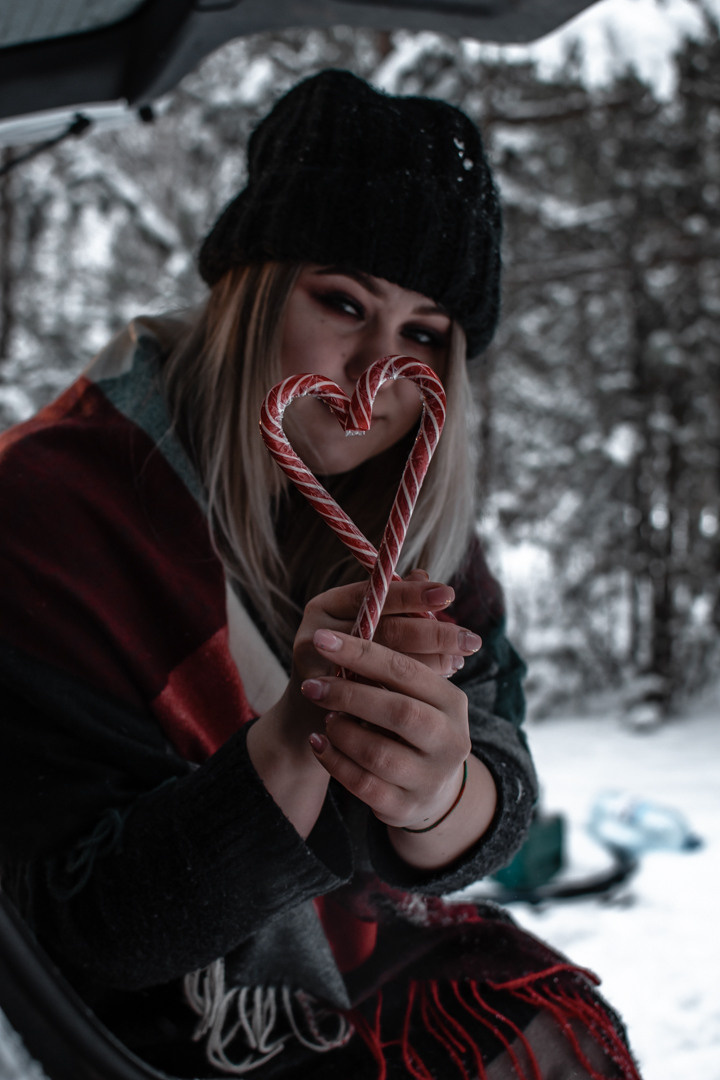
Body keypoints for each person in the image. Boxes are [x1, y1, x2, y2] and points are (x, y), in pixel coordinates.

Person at [0, 70, 641, 1079]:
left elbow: (497, 771)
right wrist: (300, 732)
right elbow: (88, 930)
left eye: (424, 335)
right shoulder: (50, 510)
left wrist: (437, 793)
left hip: (362, 976)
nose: (376, 372)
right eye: (343, 302)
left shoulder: (416, 533)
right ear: (251, 293)